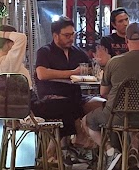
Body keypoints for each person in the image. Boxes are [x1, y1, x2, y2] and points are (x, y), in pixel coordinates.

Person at [86, 24, 139, 168]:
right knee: (137, 116)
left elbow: (103, 92)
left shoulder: (114, 62)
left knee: (88, 120)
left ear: (126, 40)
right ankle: (134, 150)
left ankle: (111, 152)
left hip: (117, 117)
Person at [33, 17, 95, 146]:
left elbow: (90, 69)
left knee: (102, 104)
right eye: (67, 35)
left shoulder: (78, 52)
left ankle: (104, 146)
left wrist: (100, 64)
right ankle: (79, 136)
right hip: (50, 98)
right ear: (55, 35)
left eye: (73, 34)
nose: (71, 38)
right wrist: (72, 73)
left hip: (76, 96)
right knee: (68, 105)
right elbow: (42, 74)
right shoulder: (45, 52)